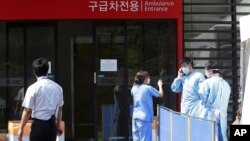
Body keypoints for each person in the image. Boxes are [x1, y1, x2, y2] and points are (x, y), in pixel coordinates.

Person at [18, 58, 64, 141]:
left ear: (34, 72)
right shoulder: (58, 88)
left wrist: (21, 128)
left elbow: (27, 110)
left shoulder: (32, 88)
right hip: (51, 126)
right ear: (47, 71)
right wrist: (57, 127)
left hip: (38, 126)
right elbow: (59, 110)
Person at [198, 61, 231, 141]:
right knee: (222, 137)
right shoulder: (226, 84)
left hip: (210, 115)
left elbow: (202, 96)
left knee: (210, 137)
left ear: (210, 71)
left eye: (206, 70)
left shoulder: (207, 82)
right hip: (222, 115)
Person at [131, 71, 163, 141]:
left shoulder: (134, 89)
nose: (149, 79)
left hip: (135, 118)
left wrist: (136, 78)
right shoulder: (148, 88)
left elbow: (134, 85)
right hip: (145, 119)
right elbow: (160, 94)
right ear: (145, 78)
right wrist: (160, 85)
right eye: (148, 77)